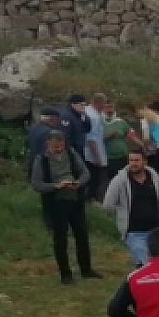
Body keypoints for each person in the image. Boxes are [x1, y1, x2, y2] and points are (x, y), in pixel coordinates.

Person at [31, 130, 101, 284]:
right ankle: (65, 274)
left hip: (75, 200)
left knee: (82, 235)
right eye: (55, 146)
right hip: (56, 203)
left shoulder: (71, 153)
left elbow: (85, 173)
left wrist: (78, 183)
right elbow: (37, 184)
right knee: (60, 239)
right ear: (48, 143)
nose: (59, 149)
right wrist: (56, 186)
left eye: (61, 145)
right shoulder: (41, 160)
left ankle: (86, 269)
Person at [101, 148, 159, 267]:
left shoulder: (154, 177)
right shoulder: (120, 180)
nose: (133, 163)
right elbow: (107, 204)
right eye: (131, 160)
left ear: (144, 162)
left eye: (137, 160)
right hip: (134, 233)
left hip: (155, 230)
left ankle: (138, 277)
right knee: (147, 265)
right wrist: (121, 213)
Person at [80, 93, 110, 200]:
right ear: (99, 103)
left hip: (87, 150)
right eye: (104, 104)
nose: (105, 106)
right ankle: (91, 199)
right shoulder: (93, 117)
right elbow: (91, 138)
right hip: (92, 153)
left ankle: (89, 198)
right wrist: (97, 157)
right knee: (94, 179)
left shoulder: (87, 112)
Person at [25, 106, 65, 179]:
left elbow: (28, 144)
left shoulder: (33, 129)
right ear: (51, 119)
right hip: (45, 168)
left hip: (33, 165)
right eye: (57, 119)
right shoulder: (50, 132)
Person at [101, 97, 133, 185]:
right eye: (107, 107)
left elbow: (131, 135)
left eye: (111, 107)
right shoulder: (99, 122)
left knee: (126, 179)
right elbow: (95, 139)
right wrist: (108, 136)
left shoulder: (121, 122)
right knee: (113, 181)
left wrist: (142, 145)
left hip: (123, 156)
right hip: (109, 158)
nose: (109, 109)